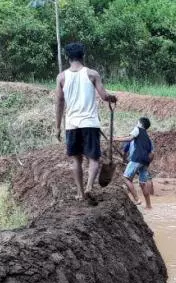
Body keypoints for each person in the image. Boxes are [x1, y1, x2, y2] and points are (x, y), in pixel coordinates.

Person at [55, 42, 117, 202]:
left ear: (68, 57)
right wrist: (111, 97)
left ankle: (80, 193)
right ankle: (90, 187)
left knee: (76, 160)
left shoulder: (61, 77)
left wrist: (57, 127)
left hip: (72, 124)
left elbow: (59, 102)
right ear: (83, 56)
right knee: (94, 159)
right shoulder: (92, 74)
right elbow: (104, 96)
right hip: (89, 123)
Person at [116, 117, 155, 208]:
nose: (136, 123)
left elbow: (129, 138)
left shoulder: (137, 129)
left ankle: (137, 199)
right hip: (145, 162)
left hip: (136, 159)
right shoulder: (146, 137)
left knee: (125, 178)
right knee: (142, 183)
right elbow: (151, 153)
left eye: (137, 122)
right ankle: (149, 206)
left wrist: (116, 139)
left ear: (140, 124)